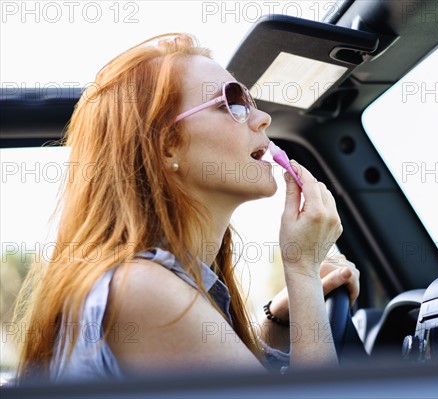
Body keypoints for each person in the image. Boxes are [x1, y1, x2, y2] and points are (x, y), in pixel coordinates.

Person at [13, 33, 360, 382]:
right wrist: (302, 269)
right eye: (232, 103)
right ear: (167, 147)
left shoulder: (150, 283)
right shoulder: (141, 289)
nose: (263, 118)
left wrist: (281, 315)